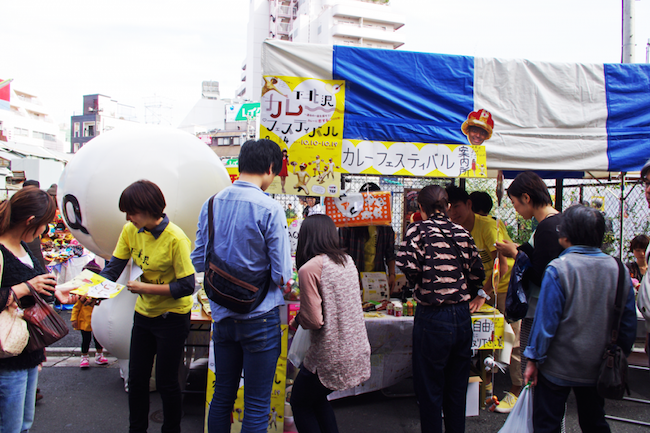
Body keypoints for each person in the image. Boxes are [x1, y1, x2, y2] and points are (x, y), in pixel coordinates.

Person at [191, 139, 292, 433]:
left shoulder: (211, 204)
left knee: (222, 395)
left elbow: (198, 259)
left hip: (222, 315)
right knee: (257, 405)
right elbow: (282, 275)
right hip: (260, 317)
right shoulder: (270, 208)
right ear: (270, 168)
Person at [523, 204, 637, 432]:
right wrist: (618, 355)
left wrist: (533, 359)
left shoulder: (559, 268)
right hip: (599, 365)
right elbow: (627, 323)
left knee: (547, 424)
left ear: (566, 236)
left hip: (556, 367)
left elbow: (546, 323)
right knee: (594, 422)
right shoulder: (619, 269)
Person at [97, 180, 195, 433]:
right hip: (143, 316)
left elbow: (187, 286)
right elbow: (114, 267)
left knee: (166, 382)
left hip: (172, 318)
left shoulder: (176, 238)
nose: (128, 218)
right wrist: (93, 289)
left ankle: (171, 429)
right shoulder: (131, 230)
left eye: (132, 212)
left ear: (150, 209)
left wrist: (146, 288)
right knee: (137, 379)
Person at [397, 185, 484, 433]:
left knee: (430, 390)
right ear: (447, 206)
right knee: (456, 389)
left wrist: (421, 281)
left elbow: (406, 263)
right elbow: (478, 273)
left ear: (421, 208)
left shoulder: (417, 230)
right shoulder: (462, 232)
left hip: (433, 317)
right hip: (462, 315)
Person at [289, 214, 371, 433]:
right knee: (316, 399)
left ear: (305, 238)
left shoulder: (309, 269)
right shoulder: (346, 261)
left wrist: (296, 320)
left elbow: (314, 320)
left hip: (328, 356)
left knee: (299, 402)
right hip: (356, 349)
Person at [446, 185, 521, 412]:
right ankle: (486, 385)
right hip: (484, 290)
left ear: (469, 205)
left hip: (507, 288)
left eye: (456, 206)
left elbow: (503, 266)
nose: (453, 213)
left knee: (514, 339)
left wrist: (482, 294)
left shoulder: (488, 227)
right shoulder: (456, 230)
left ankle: (517, 391)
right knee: (485, 338)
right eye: (448, 208)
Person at [495, 171, 564, 382]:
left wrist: (515, 254)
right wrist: (518, 249)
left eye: (515, 203)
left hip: (539, 310)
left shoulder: (546, 228)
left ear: (526, 197)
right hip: (551, 308)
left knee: (533, 368)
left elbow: (541, 274)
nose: (515, 208)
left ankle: (533, 401)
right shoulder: (559, 221)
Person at [0, 187, 58, 432]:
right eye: (45, 223)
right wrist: (26, 287)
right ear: (30, 220)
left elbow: (37, 289)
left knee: (24, 423)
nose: (46, 230)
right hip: (6, 357)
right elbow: (27, 287)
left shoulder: (24, 247)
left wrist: (62, 290)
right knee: (10, 427)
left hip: (27, 350)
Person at [339, 182, 397, 292]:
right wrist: (346, 276)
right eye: (366, 201)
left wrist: (392, 275)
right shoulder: (348, 224)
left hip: (377, 279)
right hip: (353, 279)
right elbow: (341, 253)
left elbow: (390, 254)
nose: (370, 204)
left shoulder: (385, 226)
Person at [70, 261, 108, 369]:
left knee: (98, 339)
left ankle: (99, 355)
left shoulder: (100, 292)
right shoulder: (82, 291)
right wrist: (74, 319)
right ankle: (84, 356)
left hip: (96, 320)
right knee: (86, 340)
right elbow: (76, 307)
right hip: (85, 321)